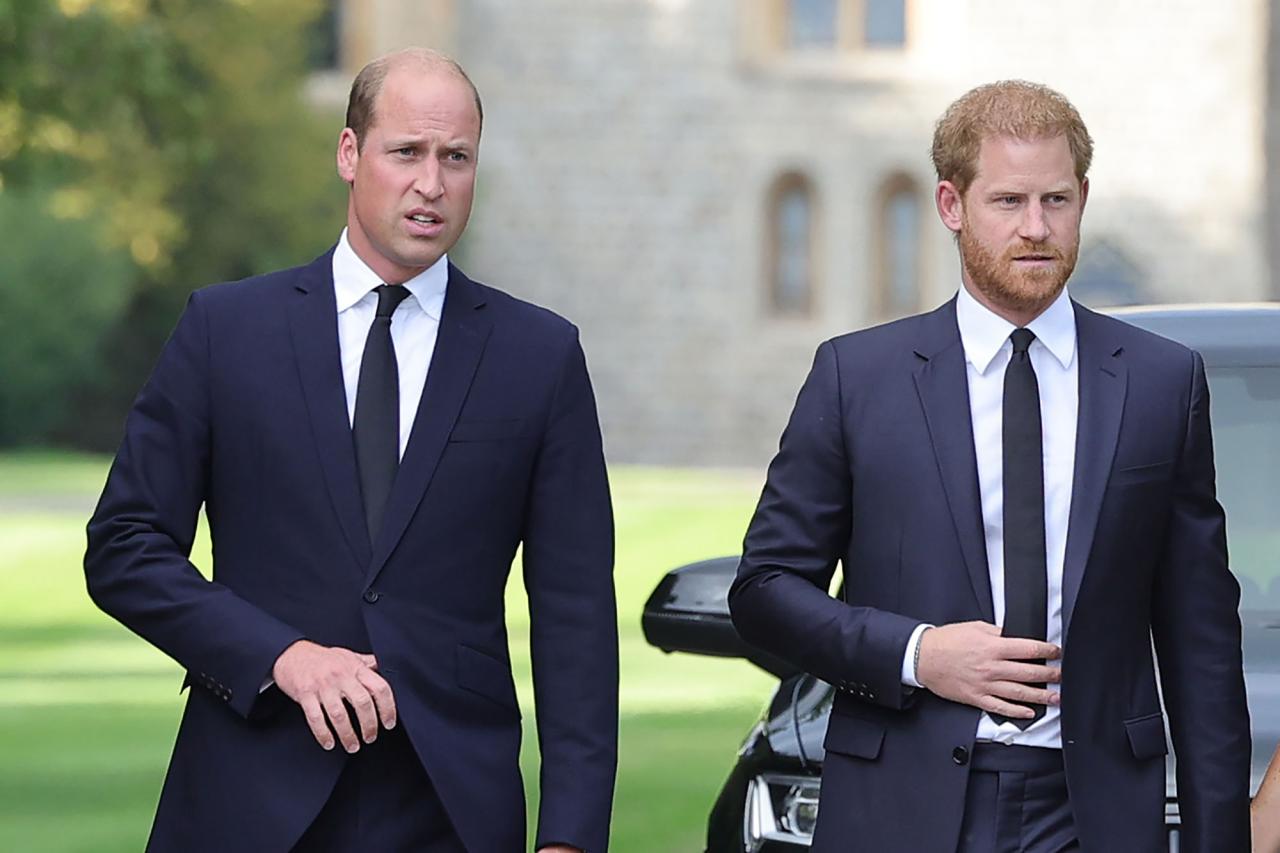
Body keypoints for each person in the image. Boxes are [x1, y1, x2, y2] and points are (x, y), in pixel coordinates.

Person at [84, 47, 617, 853]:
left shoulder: (539, 356)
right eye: (406, 152)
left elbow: (577, 619)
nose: (431, 183)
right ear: (348, 153)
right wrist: (283, 656)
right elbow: (124, 547)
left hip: (450, 809)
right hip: (247, 797)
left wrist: (569, 838)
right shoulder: (225, 331)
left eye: (456, 157)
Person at [728, 80, 1250, 852]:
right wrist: (920, 654)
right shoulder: (856, 378)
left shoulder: (1161, 382)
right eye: (1009, 201)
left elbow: (1201, 643)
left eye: (1056, 200)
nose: (1036, 228)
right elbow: (765, 591)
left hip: (1094, 813)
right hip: (899, 805)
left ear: (1082, 199)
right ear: (951, 204)